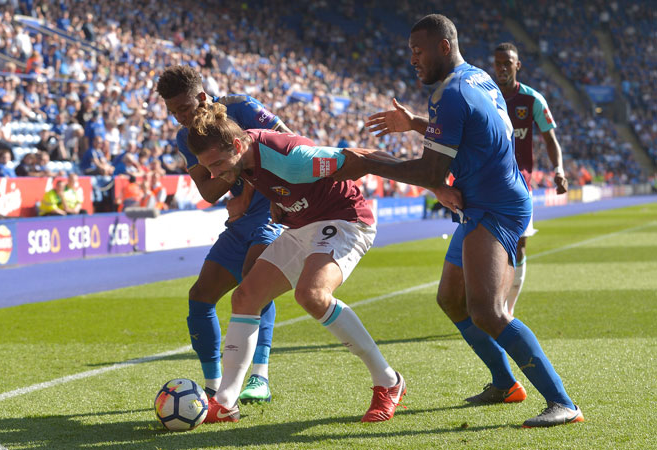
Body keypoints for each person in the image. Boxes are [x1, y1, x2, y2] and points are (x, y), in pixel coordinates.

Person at [339, 14, 583, 428]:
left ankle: (563, 402)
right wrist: (416, 124)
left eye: (418, 51)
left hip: (496, 206)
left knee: (487, 310)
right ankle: (505, 383)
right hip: (482, 198)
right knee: (451, 300)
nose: (412, 59)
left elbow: (432, 173)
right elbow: (474, 131)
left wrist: (371, 163)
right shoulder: (476, 78)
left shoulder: (451, 95)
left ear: (443, 47)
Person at [187, 102, 410, 423]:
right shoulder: (243, 152)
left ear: (237, 145)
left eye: (218, 164)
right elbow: (263, 175)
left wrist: (433, 184)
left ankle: (389, 382)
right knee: (246, 296)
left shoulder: (292, 158)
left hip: (345, 219)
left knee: (312, 295)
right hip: (301, 225)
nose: (214, 175)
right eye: (209, 167)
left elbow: (364, 157)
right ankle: (224, 401)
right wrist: (281, 202)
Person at [156, 65, 292, 404]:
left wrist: (249, 184)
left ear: (202, 97)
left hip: (272, 206)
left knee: (253, 281)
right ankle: (214, 386)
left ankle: (258, 378)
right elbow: (208, 190)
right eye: (173, 112)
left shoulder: (242, 107)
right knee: (200, 297)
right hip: (242, 218)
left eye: (184, 109)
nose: (179, 118)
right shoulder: (184, 138)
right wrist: (236, 179)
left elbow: (288, 142)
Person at [493, 42, 569, 315]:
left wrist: (558, 170)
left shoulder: (532, 99)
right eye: (498, 62)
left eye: (507, 62)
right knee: (486, 244)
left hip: (519, 184)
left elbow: (550, 138)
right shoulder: (485, 96)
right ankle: (488, 302)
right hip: (488, 181)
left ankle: (507, 310)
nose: (502, 67)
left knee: (520, 244)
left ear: (517, 65)